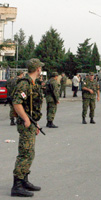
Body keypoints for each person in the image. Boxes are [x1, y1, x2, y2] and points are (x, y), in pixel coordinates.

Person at [11, 58, 44, 197]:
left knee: (30, 153)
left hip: (31, 123)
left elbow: (30, 106)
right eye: (40, 68)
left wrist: (35, 123)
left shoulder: (32, 83)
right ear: (37, 69)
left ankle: (24, 180)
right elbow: (16, 103)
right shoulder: (24, 84)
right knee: (25, 153)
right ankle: (17, 185)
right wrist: (25, 119)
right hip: (26, 124)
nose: (41, 70)